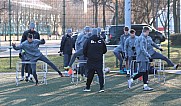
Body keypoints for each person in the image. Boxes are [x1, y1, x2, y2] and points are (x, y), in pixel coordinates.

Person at [128, 27, 153, 91]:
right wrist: (148, 55)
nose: (148, 33)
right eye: (148, 32)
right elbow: (142, 49)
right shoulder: (142, 38)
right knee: (142, 72)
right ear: (146, 31)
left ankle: (145, 85)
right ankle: (131, 79)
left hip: (143, 57)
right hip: (142, 57)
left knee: (146, 72)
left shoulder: (139, 38)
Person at [83, 28, 107, 93]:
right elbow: (105, 50)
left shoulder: (88, 40)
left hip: (91, 59)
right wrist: (99, 54)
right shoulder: (101, 40)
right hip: (99, 59)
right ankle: (101, 87)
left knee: (90, 74)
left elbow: (84, 49)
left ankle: (88, 87)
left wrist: (88, 56)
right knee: (100, 74)